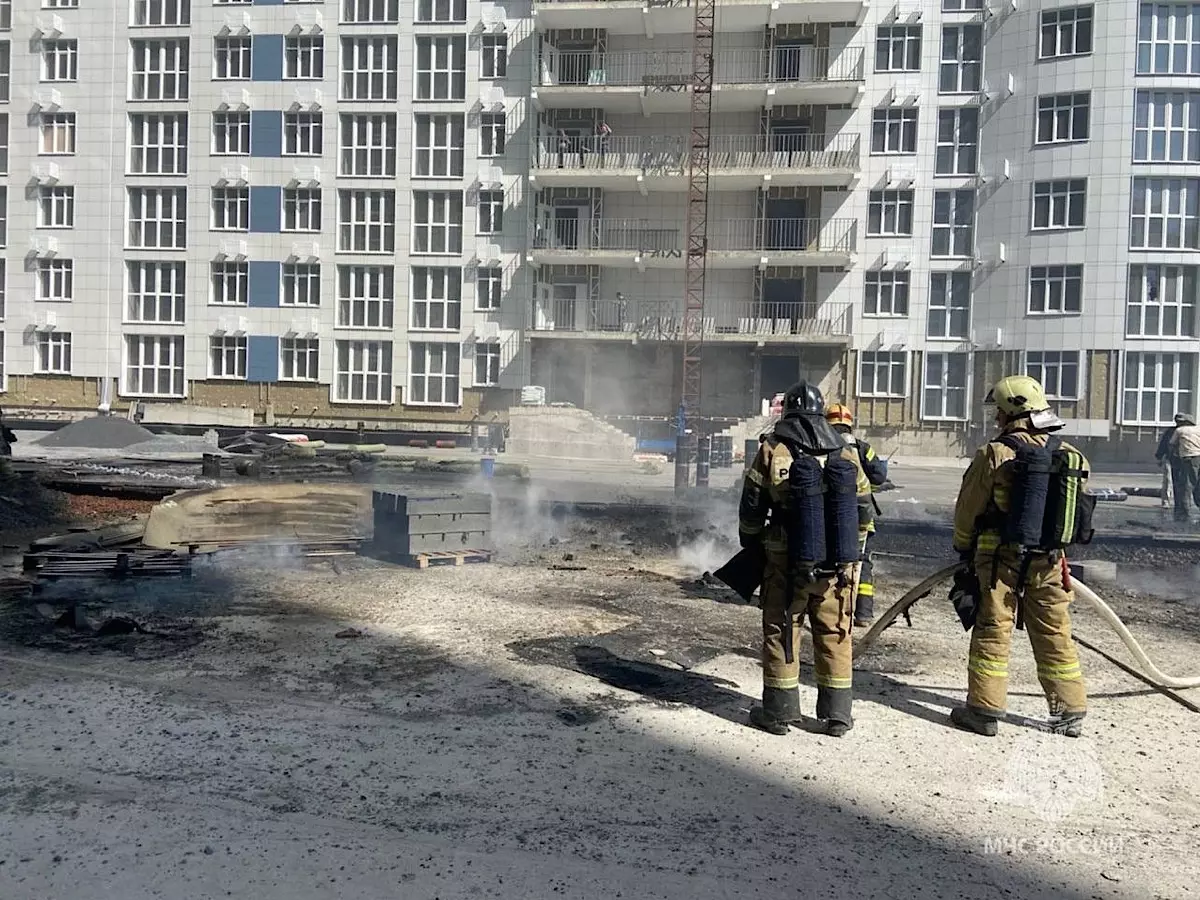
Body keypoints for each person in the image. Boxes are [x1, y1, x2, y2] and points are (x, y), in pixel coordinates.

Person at [949, 375, 1090, 738]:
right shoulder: (1070, 454)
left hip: (1000, 561)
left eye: (998, 409)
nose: (995, 417)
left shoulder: (995, 453)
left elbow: (968, 510)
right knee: (1055, 631)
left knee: (993, 630)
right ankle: (1069, 709)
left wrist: (963, 547)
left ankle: (982, 710)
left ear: (1009, 411)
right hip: (1051, 560)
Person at [737, 381, 871, 737]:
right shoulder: (845, 451)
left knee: (783, 628)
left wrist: (751, 543)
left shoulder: (773, 448)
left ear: (788, 413)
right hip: (837, 565)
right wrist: (850, 558)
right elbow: (861, 507)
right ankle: (838, 716)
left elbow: (752, 503)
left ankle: (779, 714)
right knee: (835, 632)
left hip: (784, 559)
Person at [825, 403, 888, 627]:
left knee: (831, 561)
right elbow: (879, 475)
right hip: (861, 516)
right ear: (850, 425)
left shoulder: (823, 446)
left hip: (831, 515)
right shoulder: (863, 448)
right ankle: (862, 613)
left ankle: (832, 609)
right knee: (862, 563)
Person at [1168, 415, 1200, 521]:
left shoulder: (1180, 430)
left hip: (1188, 458)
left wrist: (1172, 456)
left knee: (1187, 484)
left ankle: (1184, 511)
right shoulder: (1198, 429)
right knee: (1196, 483)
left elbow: (1171, 444)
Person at [1154, 414, 1186, 510]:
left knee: (1182, 481)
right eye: (1178, 421)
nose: (1179, 423)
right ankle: (1166, 501)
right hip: (1170, 458)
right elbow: (1164, 444)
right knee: (1168, 480)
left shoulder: (1186, 431)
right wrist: (1159, 456)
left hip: (1183, 459)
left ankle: (1180, 502)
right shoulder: (1171, 431)